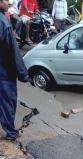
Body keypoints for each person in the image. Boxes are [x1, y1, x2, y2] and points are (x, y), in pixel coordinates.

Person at [0, 0, 31, 141]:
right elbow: (13, 52)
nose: (10, 3)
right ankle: (11, 133)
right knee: (7, 102)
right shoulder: (4, 24)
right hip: (4, 72)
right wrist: (24, 75)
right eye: (7, 0)